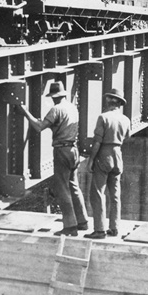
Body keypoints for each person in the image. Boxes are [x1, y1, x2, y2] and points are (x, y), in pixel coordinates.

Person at [16, 82, 89, 236]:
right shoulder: (72, 107)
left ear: (54, 97)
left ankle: (69, 226)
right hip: (73, 150)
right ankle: (82, 221)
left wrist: (25, 113)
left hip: (62, 150)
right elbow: (63, 126)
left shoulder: (56, 109)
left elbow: (39, 127)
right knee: (74, 186)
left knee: (62, 188)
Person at [84, 89, 130, 239]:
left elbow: (97, 141)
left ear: (110, 101)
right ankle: (114, 228)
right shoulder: (125, 119)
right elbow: (127, 137)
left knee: (98, 193)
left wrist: (91, 160)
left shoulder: (103, 117)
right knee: (115, 194)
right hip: (118, 155)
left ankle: (99, 230)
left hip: (104, 155)